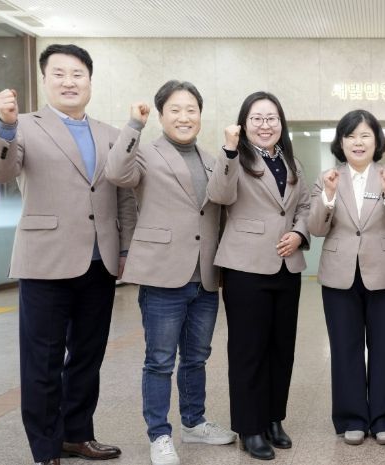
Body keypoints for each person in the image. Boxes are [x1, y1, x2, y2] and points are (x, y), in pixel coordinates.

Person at [0, 44, 136, 465]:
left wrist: (125, 249)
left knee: (88, 357)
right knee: (43, 359)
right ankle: (45, 447)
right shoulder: (23, 126)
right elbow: (0, 171)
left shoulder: (110, 134)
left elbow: (124, 197)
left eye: (77, 74)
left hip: (99, 261)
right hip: (45, 260)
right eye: (59, 74)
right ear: (44, 80)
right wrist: (4, 125)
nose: (69, 82)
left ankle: (77, 434)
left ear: (90, 81)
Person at [104, 80, 235, 465]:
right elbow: (116, 173)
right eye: (175, 110)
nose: (184, 117)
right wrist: (134, 125)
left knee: (197, 357)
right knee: (160, 360)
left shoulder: (211, 158)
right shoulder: (145, 153)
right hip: (163, 275)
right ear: (161, 115)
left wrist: (229, 152)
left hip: (205, 276)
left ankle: (194, 423)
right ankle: (159, 435)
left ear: (200, 115)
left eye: (191, 109)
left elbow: (223, 200)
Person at [206, 91, 310, 461]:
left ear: (281, 123)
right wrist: (229, 150)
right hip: (245, 266)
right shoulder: (234, 157)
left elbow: (304, 206)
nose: (265, 125)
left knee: (282, 350)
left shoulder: (291, 161)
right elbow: (219, 194)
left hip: (287, 265)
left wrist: (299, 233)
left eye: (272, 118)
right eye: (257, 118)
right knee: (248, 351)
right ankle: (249, 427)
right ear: (244, 123)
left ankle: (273, 419)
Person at [308, 109, 385, 447]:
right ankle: (351, 418)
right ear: (341, 142)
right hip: (339, 274)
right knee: (345, 348)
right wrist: (328, 197)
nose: (358, 142)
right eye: (351, 136)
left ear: (376, 141)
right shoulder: (327, 178)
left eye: (365, 135)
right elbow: (315, 228)